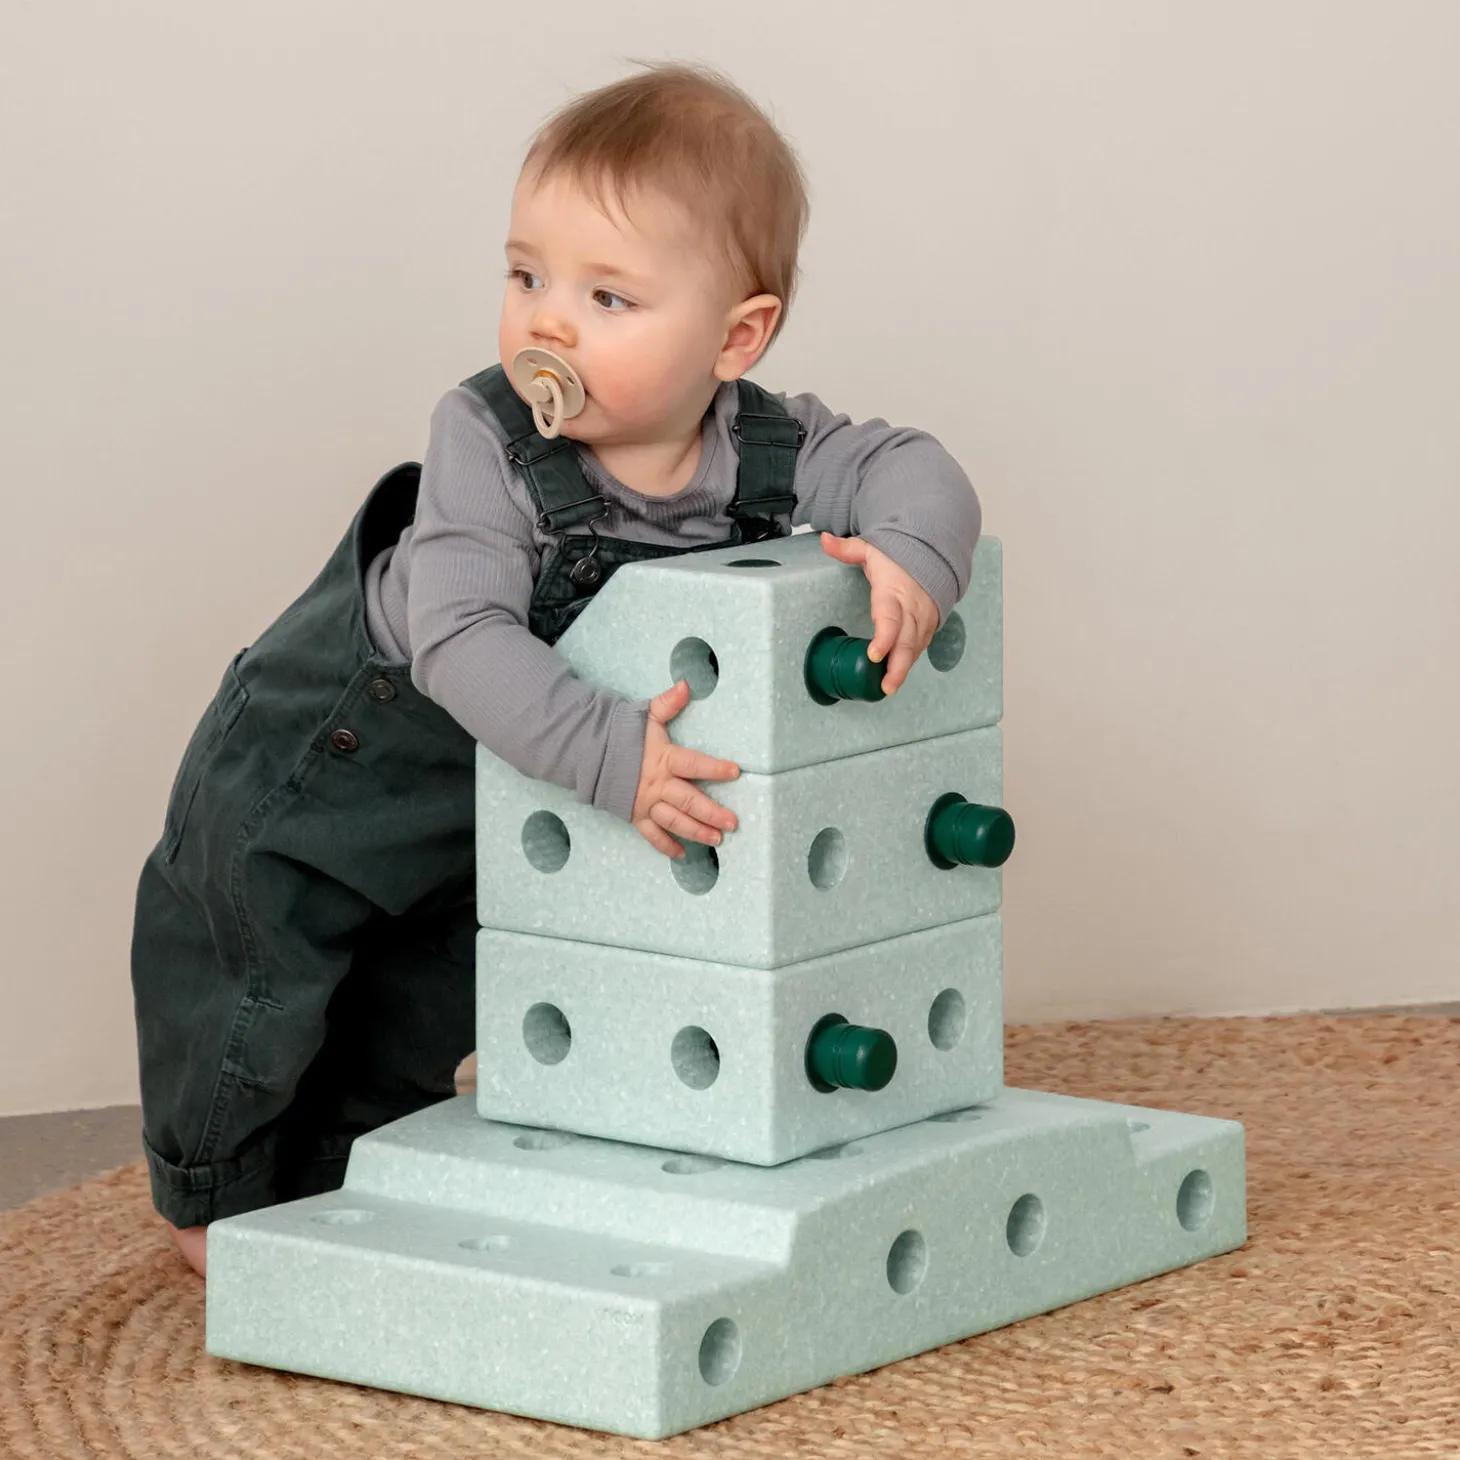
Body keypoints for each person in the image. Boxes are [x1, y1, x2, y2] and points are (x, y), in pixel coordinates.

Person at [131, 61, 982, 1281]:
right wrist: (612, 753)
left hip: (514, 783)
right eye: (525, 276)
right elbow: (460, 635)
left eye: (607, 295)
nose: (549, 323)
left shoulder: (765, 448)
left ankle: (335, 1179)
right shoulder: (484, 437)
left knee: (436, 984)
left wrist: (911, 558)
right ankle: (211, 1192)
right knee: (256, 957)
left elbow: (916, 466)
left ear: (734, 336)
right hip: (342, 754)